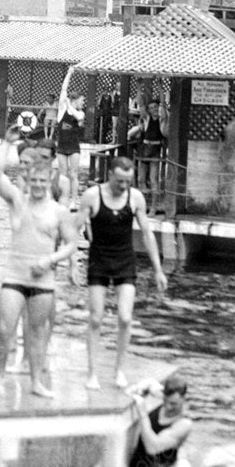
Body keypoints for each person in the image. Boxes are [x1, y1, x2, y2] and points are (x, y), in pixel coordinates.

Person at [0, 132, 76, 399]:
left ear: (49, 181)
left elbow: (71, 244)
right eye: (34, 180)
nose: (38, 185)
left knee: (37, 332)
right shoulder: (18, 201)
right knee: (4, 329)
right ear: (28, 180)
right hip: (14, 276)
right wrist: (6, 144)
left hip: (43, 280)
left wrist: (51, 260)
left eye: (42, 181)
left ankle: (36, 381)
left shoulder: (59, 211)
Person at [80, 152, 169, 393]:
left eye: (128, 182)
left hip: (124, 260)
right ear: (110, 175)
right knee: (96, 318)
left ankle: (119, 369)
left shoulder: (135, 198)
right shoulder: (92, 196)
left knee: (126, 317)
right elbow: (74, 226)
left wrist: (158, 270)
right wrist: (68, 262)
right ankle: (92, 372)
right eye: (119, 181)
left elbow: (147, 234)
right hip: (99, 259)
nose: (123, 186)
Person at [127, 369, 192, 467]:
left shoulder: (184, 424)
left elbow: (153, 447)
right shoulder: (167, 395)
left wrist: (143, 413)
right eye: (165, 401)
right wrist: (137, 388)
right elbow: (150, 382)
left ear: (184, 398)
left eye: (173, 404)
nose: (168, 407)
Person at [53, 93, 86, 202]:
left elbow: (79, 117)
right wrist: (69, 75)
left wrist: (69, 105)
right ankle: (64, 198)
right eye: (82, 100)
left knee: (73, 173)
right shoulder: (62, 111)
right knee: (63, 174)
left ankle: (74, 200)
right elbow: (63, 91)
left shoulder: (81, 113)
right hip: (62, 146)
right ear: (75, 100)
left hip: (74, 146)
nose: (83, 103)